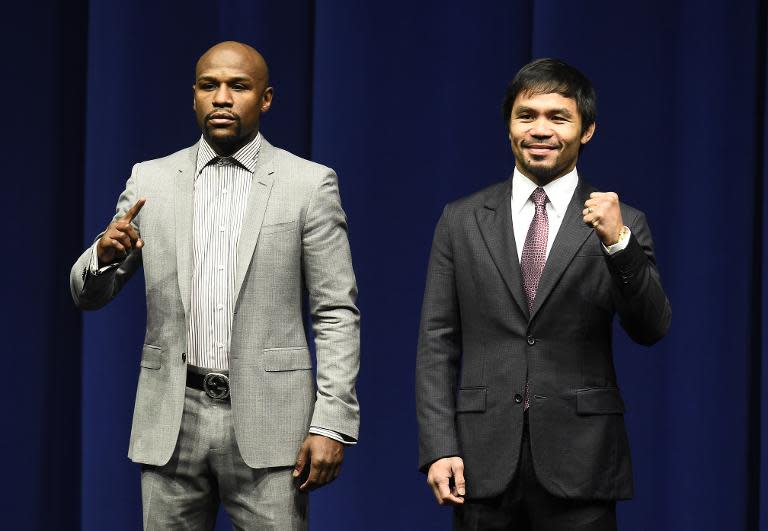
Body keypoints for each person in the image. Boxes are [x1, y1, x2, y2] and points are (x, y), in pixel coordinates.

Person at [70, 41, 360, 530]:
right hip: (171, 417)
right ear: (194, 97)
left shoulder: (308, 184)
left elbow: (335, 312)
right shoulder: (151, 180)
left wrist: (331, 421)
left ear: (265, 99)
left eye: (238, 87)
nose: (222, 97)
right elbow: (87, 294)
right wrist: (102, 255)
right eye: (210, 86)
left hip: (271, 424)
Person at [415, 58, 671, 530]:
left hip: (584, 459)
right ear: (509, 125)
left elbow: (651, 327)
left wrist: (618, 244)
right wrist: (439, 446)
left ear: (587, 130)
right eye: (526, 115)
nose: (540, 130)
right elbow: (437, 340)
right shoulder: (461, 219)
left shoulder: (623, 222)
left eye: (558, 117)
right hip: (481, 459)